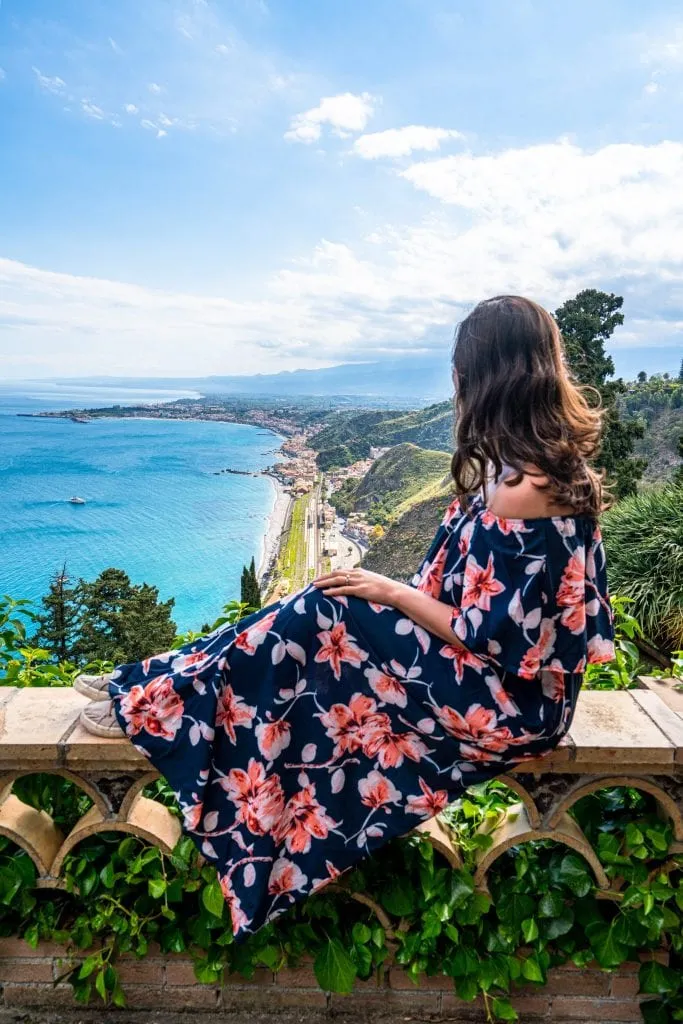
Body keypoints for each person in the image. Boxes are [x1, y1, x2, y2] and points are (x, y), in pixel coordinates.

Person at [75, 295, 614, 940]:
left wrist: (388, 593)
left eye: (461, 366)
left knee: (323, 609)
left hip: (510, 702)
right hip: (495, 678)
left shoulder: (529, 487)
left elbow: (486, 634)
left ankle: (157, 701)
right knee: (320, 605)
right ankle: (162, 683)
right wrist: (383, 596)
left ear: (487, 374)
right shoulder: (524, 466)